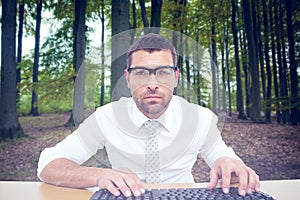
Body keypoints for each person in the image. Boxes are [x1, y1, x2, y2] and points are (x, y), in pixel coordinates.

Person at [37, 33, 260, 197]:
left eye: (163, 72)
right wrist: (98, 176)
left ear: (176, 77)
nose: (152, 84)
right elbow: (48, 165)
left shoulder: (199, 118)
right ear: (127, 78)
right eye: (142, 73)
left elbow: (224, 158)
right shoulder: (106, 117)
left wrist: (229, 163)